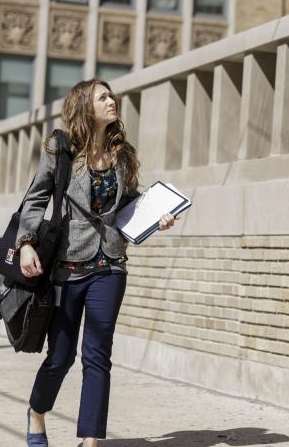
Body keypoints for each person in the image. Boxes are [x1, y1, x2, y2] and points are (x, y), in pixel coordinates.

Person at [16, 78, 177, 447]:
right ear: (85, 107)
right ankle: (37, 413)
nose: (111, 101)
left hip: (111, 264)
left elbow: (130, 203)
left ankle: (91, 441)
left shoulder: (123, 155)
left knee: (98, 355)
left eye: (111, 95)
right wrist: (26, 243)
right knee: (60, 357)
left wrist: (159, 216)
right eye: (102, 97)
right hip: (68, 267)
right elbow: (35, 198)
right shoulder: (61, 150)